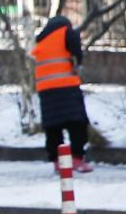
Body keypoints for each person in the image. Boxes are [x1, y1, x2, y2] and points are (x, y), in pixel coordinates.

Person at [31, 15, 92, 173]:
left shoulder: (41, 40)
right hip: (66, 86)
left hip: (46, 89)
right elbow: (76, 51)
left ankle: (58, 162)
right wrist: (77, 63)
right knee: (77, 123)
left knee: (53, 127)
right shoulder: (66, 31)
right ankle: (77, 159)